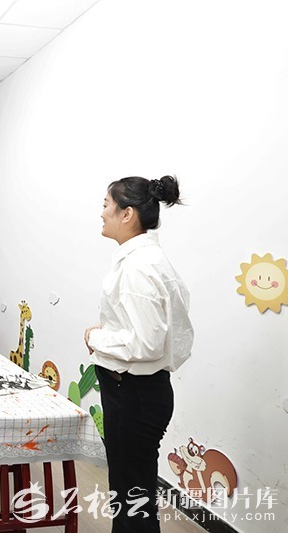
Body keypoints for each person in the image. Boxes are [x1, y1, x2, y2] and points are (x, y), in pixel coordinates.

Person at [84, 176, 194, 533]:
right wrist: (109, 335)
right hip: (141, 393)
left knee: (132, 499)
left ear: (127, 213)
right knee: (133, 494)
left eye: (106, 205)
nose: (102, 213)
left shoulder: (137, 267)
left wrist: (97, 337)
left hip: (132, 395)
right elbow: (168, 336)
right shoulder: (149, 260)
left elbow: (146, 344)